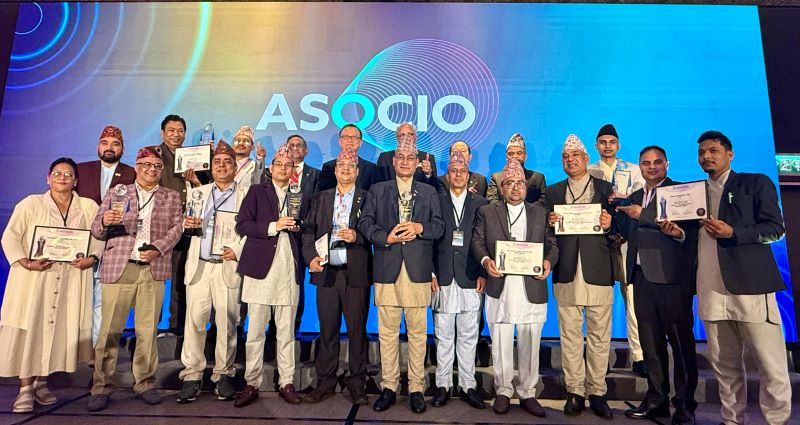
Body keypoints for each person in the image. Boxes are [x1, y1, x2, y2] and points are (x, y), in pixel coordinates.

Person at [694, 131, 791, 425]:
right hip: (710, 288)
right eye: (701, 152)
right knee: (724, 365)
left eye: (713, 150)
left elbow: (775, 229)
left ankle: (777, 421)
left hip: (751, 287)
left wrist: (733, 232)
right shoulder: (693, 193)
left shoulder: (754, 182)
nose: (706, 156)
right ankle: (732, 419)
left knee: (771, 364)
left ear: (730, 154)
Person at [0, 158, 101, 413]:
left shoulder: (88, 206)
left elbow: (99, 238)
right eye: (57, 173)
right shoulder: (31, 203)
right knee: (32, 328)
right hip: (35, 278)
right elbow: (10, 237)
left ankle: (42, 383)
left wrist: (92, 258)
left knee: (56, 330)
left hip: (70, 277)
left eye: (68, 174)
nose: (62, 177)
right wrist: (26, 262)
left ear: (76, 181)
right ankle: (25, 387)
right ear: (48, 178)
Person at [87, 146, 183, 412]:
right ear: (137, 167)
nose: (152, 169)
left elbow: (177, 228)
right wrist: (105, 220)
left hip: (152, 268)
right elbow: (96, 229)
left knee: (147, 331)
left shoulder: (171, 196)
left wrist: (158, 248)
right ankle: (101, 386)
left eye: (157, 166)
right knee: (109, 331)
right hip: (120, 266)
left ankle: (145, 383)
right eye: (146, 164)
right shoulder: (118, 192)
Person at [358, 135, 444, 414]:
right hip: (387, 269)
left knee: (418, 334)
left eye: (410, 158)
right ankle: (389, 386)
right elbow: (365, 223)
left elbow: (439, 227)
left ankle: (417, 388)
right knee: (387, 333)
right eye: (401, 158)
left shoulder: (428, 192)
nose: (405, 162)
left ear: (418, 163)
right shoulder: (378, 190)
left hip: (418, 271)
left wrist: (420, 228)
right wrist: (386, 238)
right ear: (393, 161)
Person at [616, 146, 698, 424]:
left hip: (672, 280)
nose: (651, 167)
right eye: (645, 163)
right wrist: (609, 221)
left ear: (667, 164)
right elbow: (627, 232)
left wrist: (645, 216)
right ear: (639, 166)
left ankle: (685, 404)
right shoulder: (634, 197)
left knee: (681, 345)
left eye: (657, 162)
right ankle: (656, 400)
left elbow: (690, 234)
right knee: (650, 345)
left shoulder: (681, 192)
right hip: (641, 277)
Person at [471, 158, 558, 417]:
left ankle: (528, 392)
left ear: (526, 187)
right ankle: (503, 390)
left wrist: (547, 262)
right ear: (501, 187)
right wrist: (486, 262)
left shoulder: (540, 213)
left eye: (520, 183)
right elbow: (477, 241)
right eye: (509, 183)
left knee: (531, 341)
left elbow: (552, 245)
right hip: (500, 285)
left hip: (531, 285)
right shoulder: (488, 211)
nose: (515, 187)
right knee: (501, 340)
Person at [544, 134, 615, 419]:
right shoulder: (553, 192)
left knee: (600, 336)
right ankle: (574, 390)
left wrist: (610, 224)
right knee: (570, 335)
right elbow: (546, 235)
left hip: (598, 269)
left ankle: (597, 391)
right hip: (566, 269)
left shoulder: (605, 188)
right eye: (565, 157)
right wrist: (550, 223)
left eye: (575, 156)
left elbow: (620, 228)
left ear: (587, 159)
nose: (570, 160)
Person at [233, 144, 307, 408]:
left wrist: (299, 227)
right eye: (279, 165)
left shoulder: (300, 194)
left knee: (286, 333)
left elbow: (308, 227)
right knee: (255, 332)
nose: (283, 169)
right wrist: (274, 226)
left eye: (288, 165)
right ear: (271, 168)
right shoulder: (257, 191)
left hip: (288, 270)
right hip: (260, 270)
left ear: (293, 169)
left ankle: (286, 382)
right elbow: (242, 225)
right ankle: (252, 382)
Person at [176, 141, 248, 403]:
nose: (221, 166)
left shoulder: (246, 195)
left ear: (235, 167)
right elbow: (186, 226)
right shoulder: (199, 192)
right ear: (211, 167)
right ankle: (192, 375)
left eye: (227, 162)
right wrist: (185, 224)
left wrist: (237, 249)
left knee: (227, 324)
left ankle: (223, 374)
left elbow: (252, 230)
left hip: (227, 265)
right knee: (194, 321)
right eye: (217, 162)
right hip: (200, 265)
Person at [301, 148, 372, 406]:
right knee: (327, 330)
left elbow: (375, 229)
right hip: (327, 272)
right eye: (341, 165)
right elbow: (308, 230)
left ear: (357, 171)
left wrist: (358, 236)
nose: (345, 169)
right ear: (334, 170)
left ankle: (357, 382)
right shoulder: (321, 198)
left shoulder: (367, 197)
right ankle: (325, 382)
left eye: (350, 166)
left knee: (357, 331)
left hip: (355, 272)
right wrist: (310, 257)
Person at [429, 149, 488, 410]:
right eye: (453, 171)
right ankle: (443, 386)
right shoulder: (436, 200)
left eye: (462, 171)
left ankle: (468, 386)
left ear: (469, 175)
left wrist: (484, 272)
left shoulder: (481, 203)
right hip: (442, 276)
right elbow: (428, 241)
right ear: (447, 174)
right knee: (443, 336)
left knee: (468, 336)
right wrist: (430, 272)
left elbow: (486, 240)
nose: (458, 175)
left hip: (471, 276)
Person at [588, 123, 647, 377]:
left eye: (612, 142)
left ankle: (639, 355)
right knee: (599, 304)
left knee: (632, 299)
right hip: (598, 244)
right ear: (596, 146)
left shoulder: (634, 171)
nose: (607, 146)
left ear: (618, 145)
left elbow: (642, 203)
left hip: (626, 242)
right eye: (603, 142)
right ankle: (600, 358)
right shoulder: (588, 171)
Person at [75, 125, 136, 347]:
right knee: (78, 297)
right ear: (98, 146)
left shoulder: (132, 173)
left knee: (103, 300)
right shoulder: (81, 170)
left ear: (123, 149)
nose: (109, 147)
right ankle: (75, 347)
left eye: (115, 144)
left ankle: (96, 349)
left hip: (115, 245)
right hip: (83, 244)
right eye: (105, 143)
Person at [158, 114, 211, 337]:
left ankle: (177, 326)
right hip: (162, 226)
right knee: (156, 279)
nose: (176, 134)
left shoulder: (194, 157)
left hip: (189, 225)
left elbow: (207, 188)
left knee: (181, 277)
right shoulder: (155, 156)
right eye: (171, 130)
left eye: (180, 130)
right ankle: (152, 327)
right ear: (163, 133)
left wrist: (196, 180)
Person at [486, 133, 546, 204]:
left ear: (525, 156)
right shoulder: (496, 178)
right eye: (511, 154)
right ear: (506, 157)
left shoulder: (538, 178)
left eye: (519, 153)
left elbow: (543, 201)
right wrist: (509, 210)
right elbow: (492, 201)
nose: (515, 156)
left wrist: (524, 210)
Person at [317, 124, 378, 191]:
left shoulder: (371, 168)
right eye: (346, 137)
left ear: (361, 142)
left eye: (354, 137)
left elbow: (374, 193)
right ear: (340, 141)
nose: (350, 140)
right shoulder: (328, 167)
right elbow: (324, 193)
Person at [376, 122, 438, 187]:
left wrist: (428, 174)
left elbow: (435, 187)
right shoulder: (385, 157)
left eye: (410, 134)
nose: (406, 138)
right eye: (402, 135)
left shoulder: (427, 158)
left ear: (415, 137)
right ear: (397, 138)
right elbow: (378, 185)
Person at [230, 125, 267, 191]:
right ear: (233, 145)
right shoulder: (224, 164)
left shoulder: (256, 167)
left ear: (252, 147)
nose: (241, 143)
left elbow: (258, 185)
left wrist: (260, 158)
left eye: (245, 141)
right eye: (238, 140)